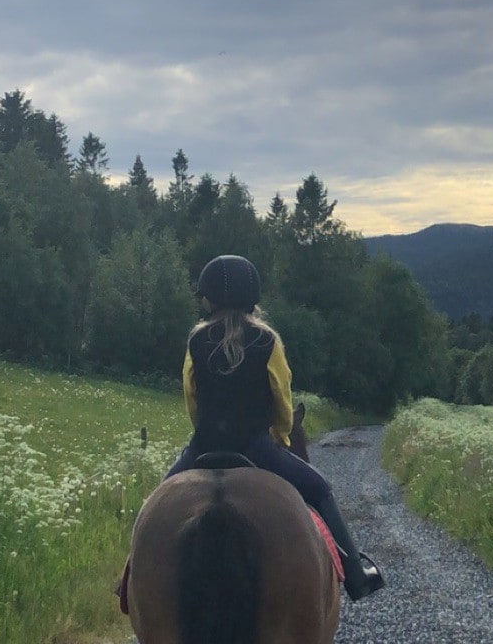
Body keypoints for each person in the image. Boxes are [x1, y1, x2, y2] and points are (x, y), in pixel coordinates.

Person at [164, 255, 385, 601]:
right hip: (256, 448)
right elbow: (282, 398)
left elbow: (192, 399)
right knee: (320, 488)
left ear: (209, 299)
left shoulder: (196, 341)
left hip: (203, 446)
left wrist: (205, 434)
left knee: (157, 503)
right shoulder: (267, 340)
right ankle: (356, 573)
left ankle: (129, 578)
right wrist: (280, 436)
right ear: (252, 296)